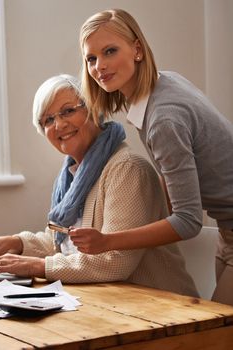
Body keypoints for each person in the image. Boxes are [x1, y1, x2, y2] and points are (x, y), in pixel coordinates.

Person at [0, 74, 198, 295]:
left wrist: (37, 266)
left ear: (94, 110)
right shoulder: (70, 175)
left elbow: (114, 261)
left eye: (67, 111)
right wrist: (17, 243)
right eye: (48, 120)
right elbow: (63, 244)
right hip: (110, 304)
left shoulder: (126, 169)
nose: (59, 125)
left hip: (161, 310)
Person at [70, 8, 233, 304]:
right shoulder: (163, 84)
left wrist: (108, 241)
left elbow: (187, 221)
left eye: (109, 51)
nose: (99, 67)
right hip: (227, 228)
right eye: (91, 58)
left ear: (137, 50)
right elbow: (175, 177)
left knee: (218, 336)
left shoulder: (163, 119)